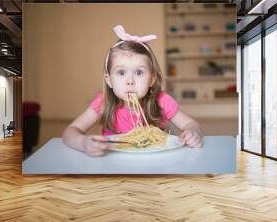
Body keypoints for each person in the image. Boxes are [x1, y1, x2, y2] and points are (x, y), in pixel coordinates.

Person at [63, 25, 202, 157]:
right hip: (113, 163)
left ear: (152, 79)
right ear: (109, 80)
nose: (130, 81)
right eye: (121, 72)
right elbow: (70, 132)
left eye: (139, 72)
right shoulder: (103, 101)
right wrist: (83, 143)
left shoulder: (162, 101)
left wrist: (192, 133)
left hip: (155, 162)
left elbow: (191, 124)